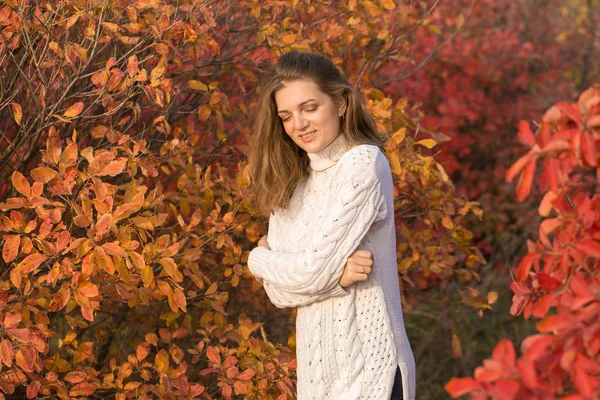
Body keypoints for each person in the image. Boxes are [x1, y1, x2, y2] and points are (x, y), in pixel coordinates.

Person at [246, 51, 416, 400]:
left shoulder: (363, 165)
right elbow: (277, 293)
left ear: (340, 103)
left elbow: (308, 274)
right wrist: (334, 276)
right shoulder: (291, 180)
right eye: (286, 115)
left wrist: (259, 261)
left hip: (373, 374)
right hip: (316, 379)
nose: (299, 124)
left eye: (310, 108)